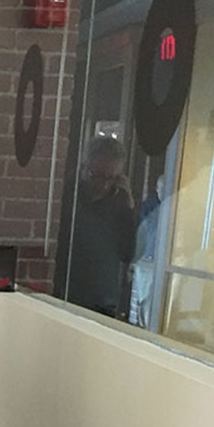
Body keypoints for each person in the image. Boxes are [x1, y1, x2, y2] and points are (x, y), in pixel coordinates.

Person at [65, 135, 137, 319]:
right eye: (97, 176)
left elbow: (128, 253)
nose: (104, 185)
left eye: (111, 178)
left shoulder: (119, 204)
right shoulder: (66, 196)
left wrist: (129, 208)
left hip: (104, 301)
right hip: (67, 294)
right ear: (85, 168)